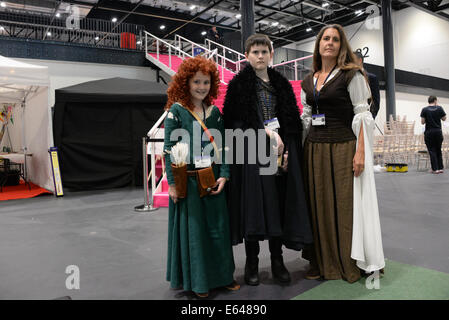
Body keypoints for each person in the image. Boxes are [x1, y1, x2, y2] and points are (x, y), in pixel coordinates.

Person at [223, 34, 313, 286]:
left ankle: (277, 260)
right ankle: (252, 261)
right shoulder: (238, 85)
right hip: (251, 155)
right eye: (255, 52)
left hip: (278, 155)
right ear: (246, 55)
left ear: (271, 54)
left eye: (264, 52)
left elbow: (291, 123)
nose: (260, 56)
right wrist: (262, 132)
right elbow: (233, 125)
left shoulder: (281, 85)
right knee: (253, 206)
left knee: (277, 205)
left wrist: (286, 154)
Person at [300, 24, 385, 283]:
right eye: (325, 38)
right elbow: (305, 118)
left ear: (341, 45)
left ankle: (346, 262)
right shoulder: (309, 79)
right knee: (319, 206)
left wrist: (361, 153)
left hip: (343, 147)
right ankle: (323, 261)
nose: (330, 43)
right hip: (314, 150)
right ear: (318, 44)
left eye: (335, 39)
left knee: (346, 207)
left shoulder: (352, 75)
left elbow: (363, 115)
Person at [163, 55, 239, 298]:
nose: (201, 87)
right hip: (188, 181)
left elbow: (224, 147)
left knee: (219, 230)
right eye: (197, 82)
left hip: (213, 178)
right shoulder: (176, 111)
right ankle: (199, 283)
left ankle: (224, 277)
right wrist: (173, 186)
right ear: (186, 82)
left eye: (206, 82)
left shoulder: (215, 111)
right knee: (195, 234)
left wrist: (225, 174)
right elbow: (168, 150)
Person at [420, 96, 446, 174]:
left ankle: (435, 169)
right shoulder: (439, 108)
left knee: (432, 150)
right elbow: (444, 118)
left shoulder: (424, 109)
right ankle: (440, 168)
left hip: (429, 132)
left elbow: (422, 122)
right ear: (435, 101)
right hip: (438, 131)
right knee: (438, 149)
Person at [353, 51, 380, 119]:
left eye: (352, 60)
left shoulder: (372, 78)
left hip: (365, 118)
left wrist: (370, 118)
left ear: (360, 60)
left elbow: (375, 101)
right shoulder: (348, 78)